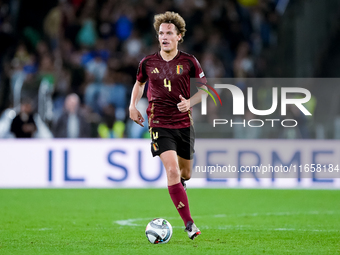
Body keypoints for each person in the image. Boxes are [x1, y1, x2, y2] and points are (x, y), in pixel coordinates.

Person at [129, 11, 207, 240]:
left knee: (186, 174)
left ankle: (179, 187)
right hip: (159, 123)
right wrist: (132, 105)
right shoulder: (147, 62)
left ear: (179, 36)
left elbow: (205, 91)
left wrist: (189, 103)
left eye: (169, 33)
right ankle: (189, 224)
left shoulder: (189, 61)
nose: (164, 37)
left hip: (184, 124)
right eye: (161, 33)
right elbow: (139, 84)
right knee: (172, 170)